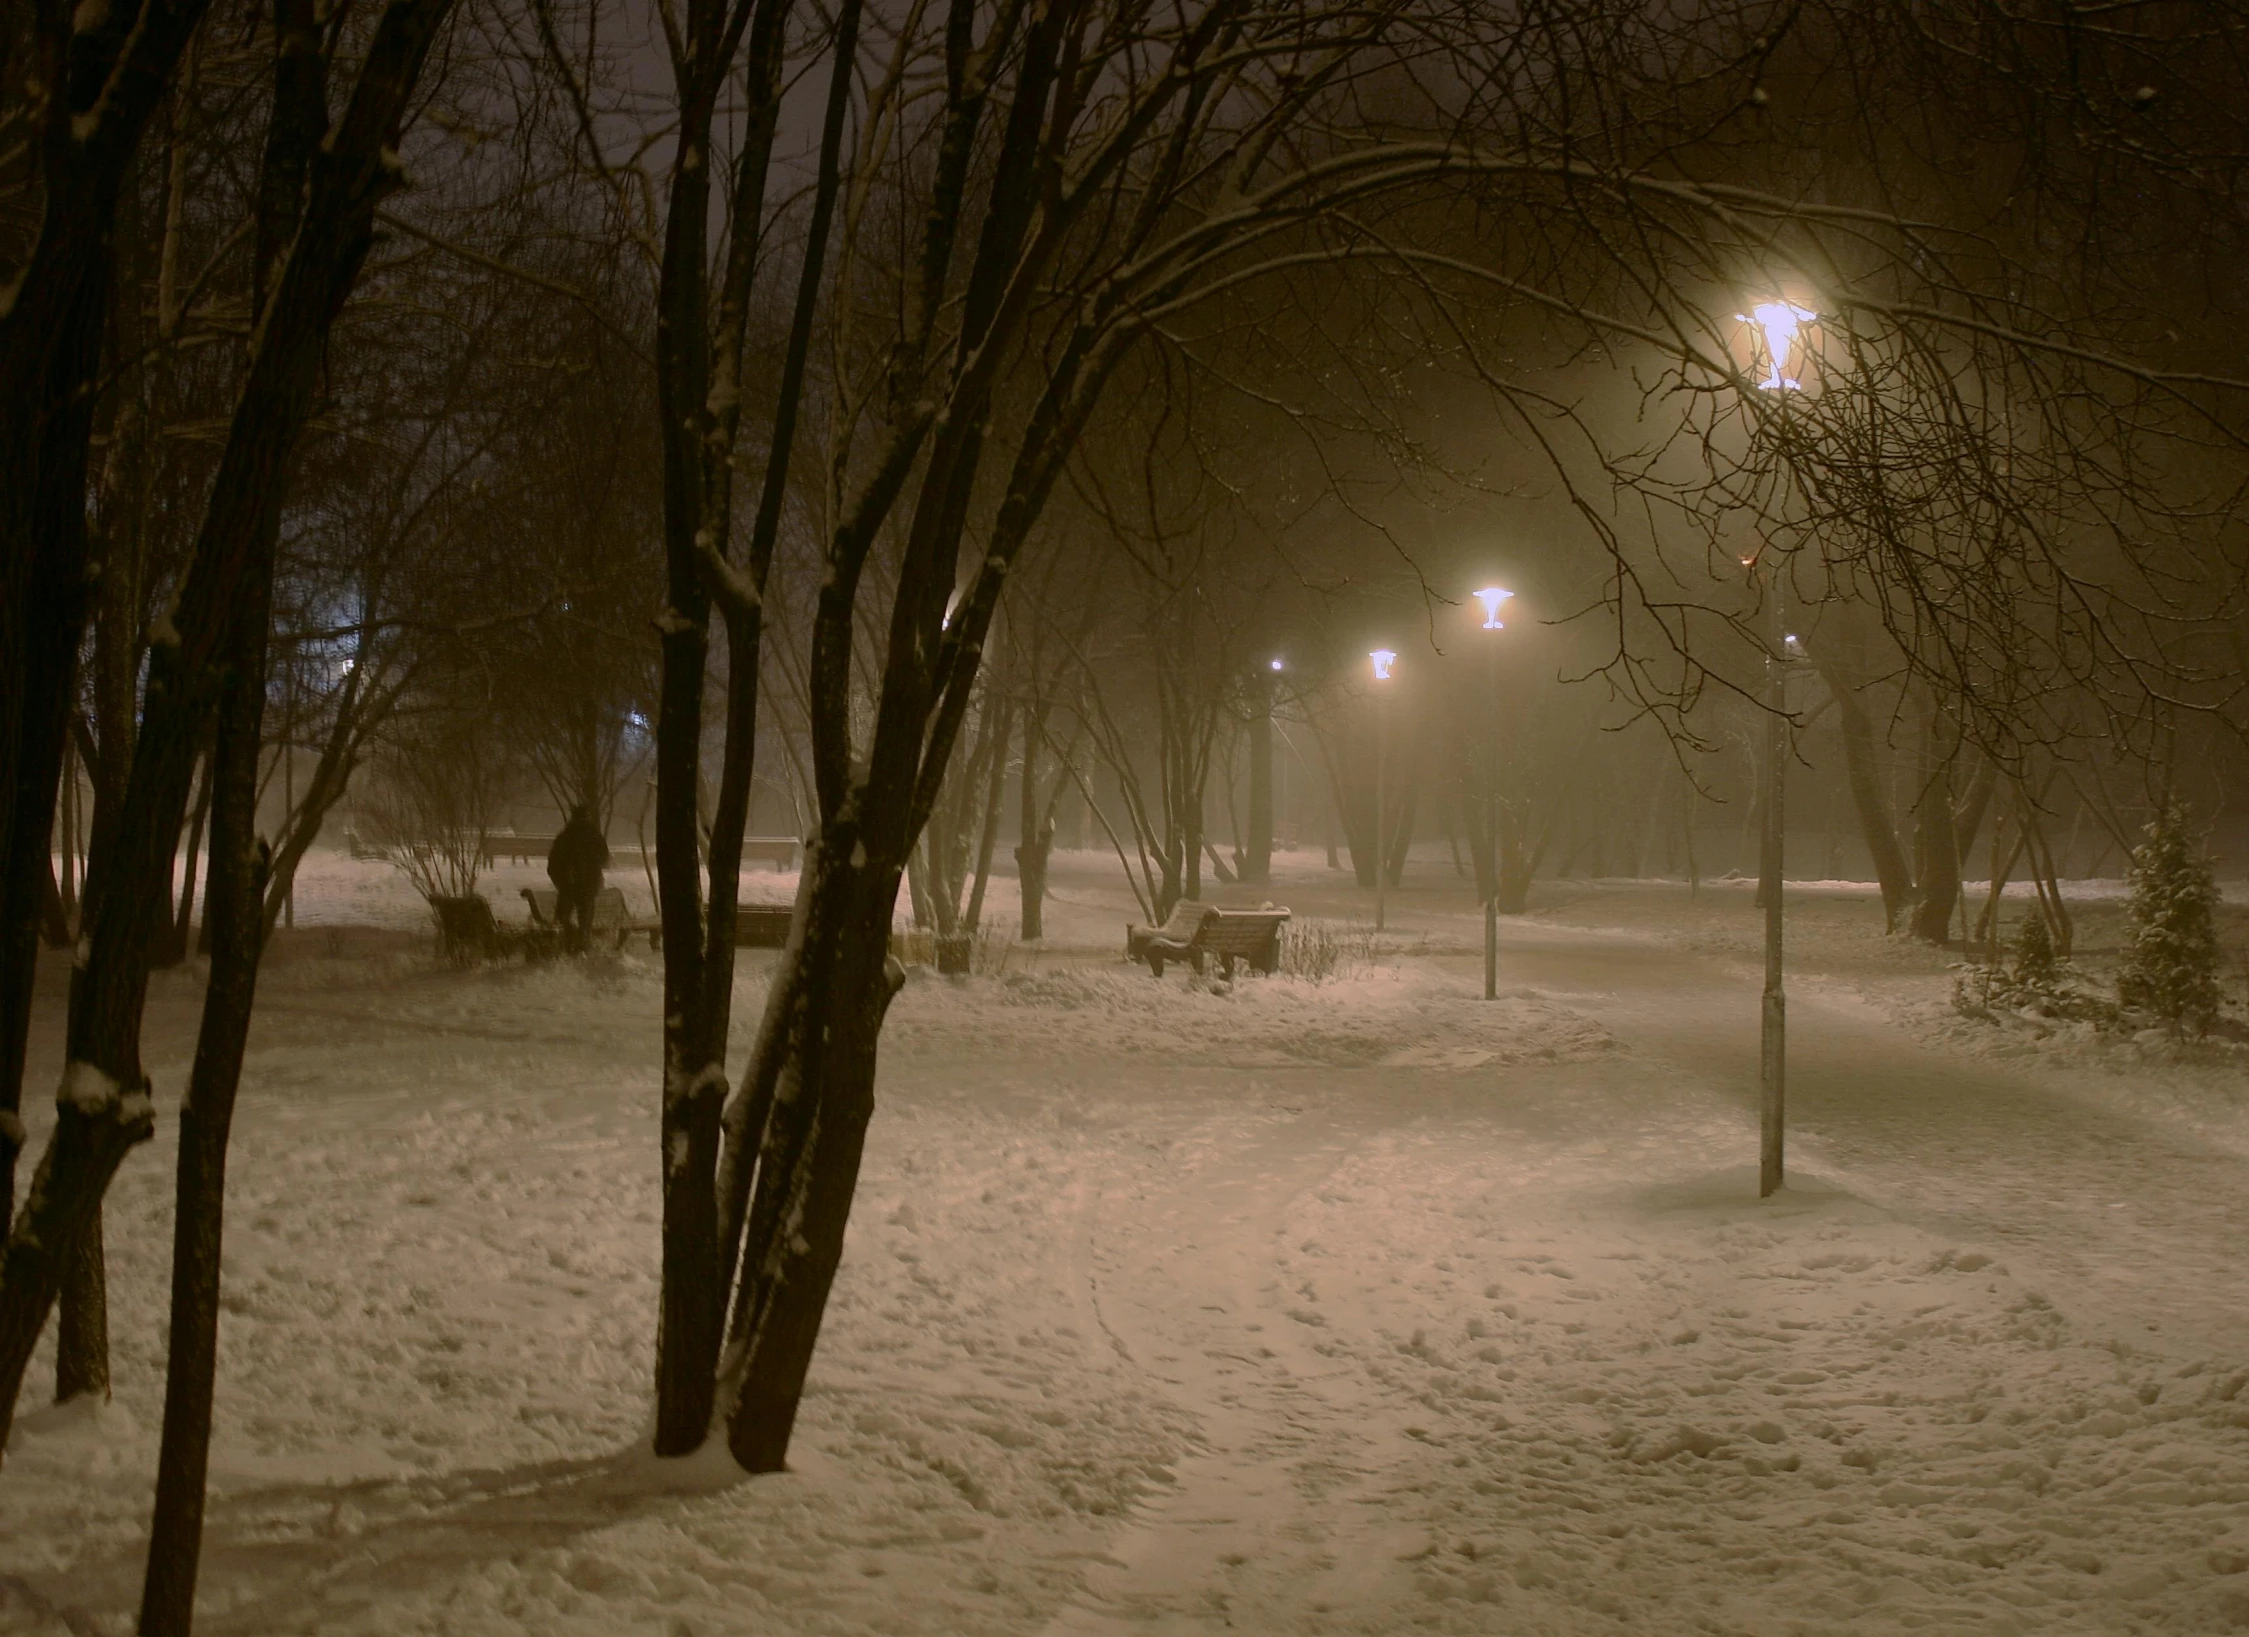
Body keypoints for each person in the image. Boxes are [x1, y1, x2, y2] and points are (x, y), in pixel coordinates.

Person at [548, 804, 610, 953]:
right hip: (588, 886)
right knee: (585, 920)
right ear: (586, 816)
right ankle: (582, 947)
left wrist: (561, 882)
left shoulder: (564, 837)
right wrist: (593, 876)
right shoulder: (594, 836)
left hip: (568, 886)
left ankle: (567, 944)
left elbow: (552, 865)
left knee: (562, 918)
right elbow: (604, 858)